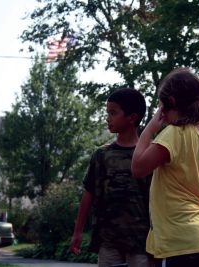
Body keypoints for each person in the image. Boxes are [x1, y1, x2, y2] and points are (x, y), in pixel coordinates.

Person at [131, 68, 199, 267]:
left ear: (170, 102)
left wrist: (151, 127)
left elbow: (138, 168)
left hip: (182, 236)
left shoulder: (174, 133)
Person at [70, 88, 152, 267]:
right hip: (108, 241)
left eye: (113, 113)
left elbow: (157, 199)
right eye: (107, 112)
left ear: (132, 117)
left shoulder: (148, 155)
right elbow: (88, 193)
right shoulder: (101, 155)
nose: (108, 117)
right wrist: (78, 232)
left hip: (141, 242)